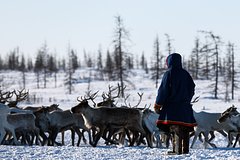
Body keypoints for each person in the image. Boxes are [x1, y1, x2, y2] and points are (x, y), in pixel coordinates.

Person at [154, 53, 197, 155]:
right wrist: (187, 100)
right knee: (184, 129)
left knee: (175, 128)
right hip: (185, 108)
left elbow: (163, 90)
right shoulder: (186, 74)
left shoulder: (168, 73)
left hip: (172, 108)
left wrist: (158, 104)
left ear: (168, 62)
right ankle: (185, 150)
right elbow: (192, 88)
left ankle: (176, 150)